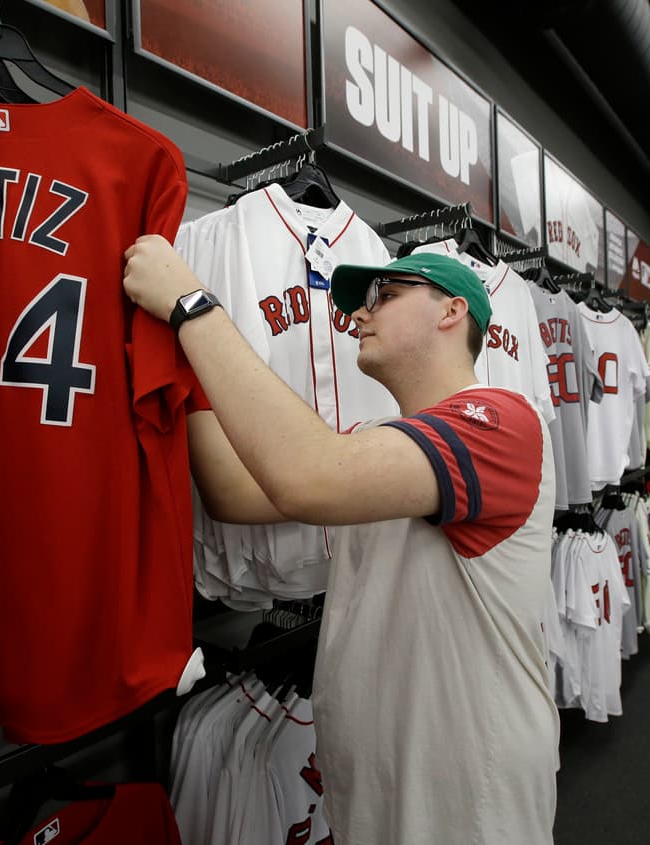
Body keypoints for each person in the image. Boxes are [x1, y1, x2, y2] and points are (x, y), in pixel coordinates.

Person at [123, 236, 559, 844]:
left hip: (465, 784)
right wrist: (182, 363)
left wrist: (191, 307)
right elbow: (234, 493)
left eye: (383, 293)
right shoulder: (377, 437)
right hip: (376, 777)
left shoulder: (503, 422)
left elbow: (309, 477)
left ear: (451, 310)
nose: (357, 314)